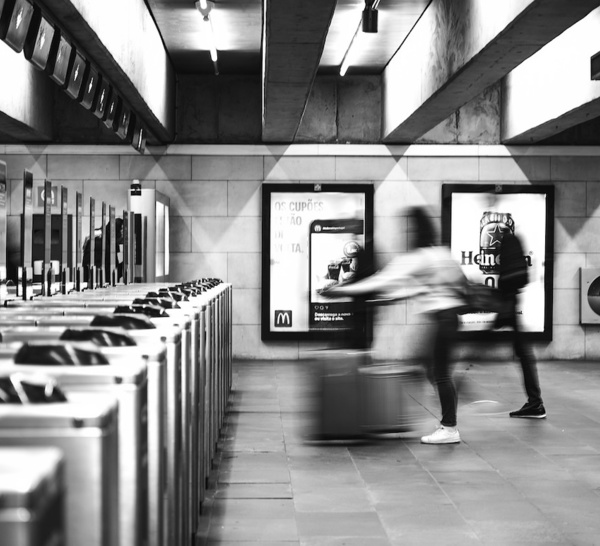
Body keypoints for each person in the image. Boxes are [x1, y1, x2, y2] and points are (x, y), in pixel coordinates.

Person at [322, 206, 467, 444]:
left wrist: (340, 290)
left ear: (415, 230)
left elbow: (380, 280)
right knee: (430, 366)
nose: (404, 233)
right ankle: (451, 404)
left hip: (442, 321)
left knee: (439, 373)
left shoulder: (417, 258)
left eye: (407, 227)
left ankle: (449, 427)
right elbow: (452, 283)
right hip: (450, 319)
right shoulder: (440, 253)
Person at [497, 230, 546, 419]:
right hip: (513, 304)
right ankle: (534, 401)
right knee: (523, 352)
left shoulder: (507, 243)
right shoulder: (515, 242)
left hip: (509, 304)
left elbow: (506, 279)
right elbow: (522, 277)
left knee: (524, 353)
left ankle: (535, 402)